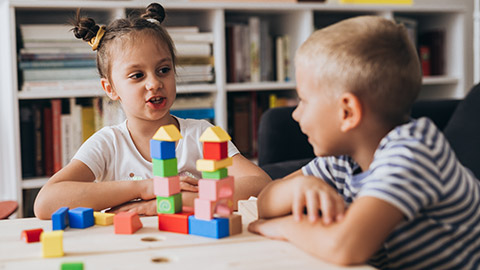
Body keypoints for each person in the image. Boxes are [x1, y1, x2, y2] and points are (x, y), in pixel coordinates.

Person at [248, 16, 480, 269]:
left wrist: (284, 227)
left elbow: (344, 246)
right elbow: (264, 201)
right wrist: (299, 188)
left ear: (347, 112)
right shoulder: (343, 158)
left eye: (303, 100)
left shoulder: (412, 155)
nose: (296, 114)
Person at [34, 3, 271, 219]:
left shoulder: (200, 135)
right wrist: (147, 187)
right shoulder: (108, 144)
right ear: (111, 88)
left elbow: (261, 185)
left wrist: (167, 203)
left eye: (163, 70)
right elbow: (46, 203)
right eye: (137, 75)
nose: (155, 83)